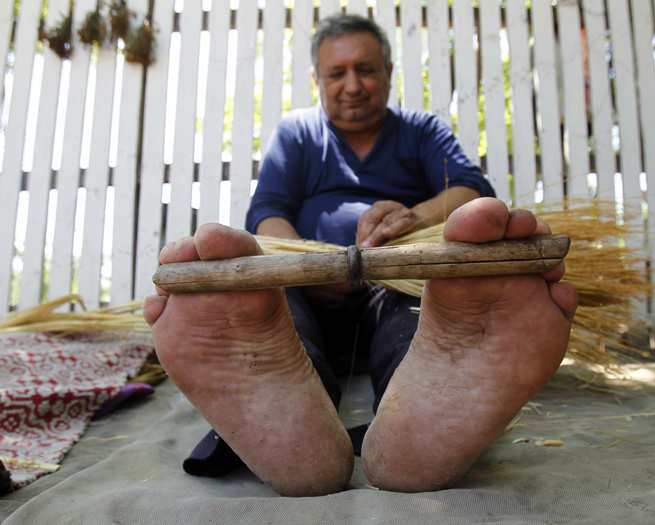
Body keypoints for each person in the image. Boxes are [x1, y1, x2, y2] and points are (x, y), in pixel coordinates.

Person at [144, 14, 577, 496]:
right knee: (273, 307)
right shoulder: (299, 134)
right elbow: (267, 215)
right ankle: (279, 404)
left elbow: (471, 191)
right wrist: (306, 264)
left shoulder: (420, 130)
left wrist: (411, 221)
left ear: (389, 73)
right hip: (308, 289)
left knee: (417, 314)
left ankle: (420, 407)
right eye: (338, 73)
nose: (353, 85)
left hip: (394, 283)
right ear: (318, 80)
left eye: (366, 70)